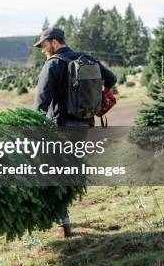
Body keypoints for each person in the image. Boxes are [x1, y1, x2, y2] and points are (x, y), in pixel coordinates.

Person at [33, 26, 117, 236]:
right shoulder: (85, 58)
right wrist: (94, 97)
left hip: (60, 128)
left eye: (44, 45)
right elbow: (112, 78)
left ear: (54, 42)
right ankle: (64, 217)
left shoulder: (53, 64)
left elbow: (41, 101)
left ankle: (64, 224)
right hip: (84, 125)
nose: (43, 50)